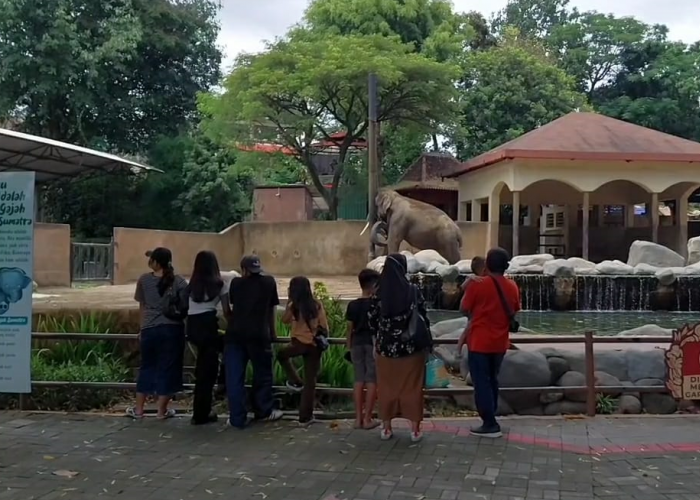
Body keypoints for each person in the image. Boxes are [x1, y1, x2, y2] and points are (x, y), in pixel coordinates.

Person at [368, 253, 431, 443]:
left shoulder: (378, 293)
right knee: (412, 388)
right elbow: (423, 316)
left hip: (385, 350)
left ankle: (386, 428)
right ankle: (415, 430)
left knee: (386, 388)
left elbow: (372, 321)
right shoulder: (412, 290)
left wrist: (376, 342)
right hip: (411, 349)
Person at [461, 247, 521, 438]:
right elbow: (515, 308)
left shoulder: (478, 284)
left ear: (487, 264)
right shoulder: (512, 286)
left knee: (481, 382)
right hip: (500, 343)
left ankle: (489, 423)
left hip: (479, 342)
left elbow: (463, 308)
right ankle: (492, 415)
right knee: (492, 379)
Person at [128, 247, 188, 420]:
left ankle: (139, 410)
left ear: (155, 262)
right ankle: (161, 411)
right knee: (169, 368)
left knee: (147, 367)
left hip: (149, 329)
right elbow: (185, 304)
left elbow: (142, 306)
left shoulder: (144, 280)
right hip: (172, 329)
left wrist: (142, 328)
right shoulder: (178, 281)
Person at [225, 255, 283, 428]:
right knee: (263, 374)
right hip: (259, 335)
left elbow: (235, 307)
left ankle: (237, 418)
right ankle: (264, 411)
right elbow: (271, 310)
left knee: (234, 378)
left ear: (243, 270)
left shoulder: (235, 284)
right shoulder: (269, 282)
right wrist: (273, 333)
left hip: (235, 335)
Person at [186, 250, 231, 426]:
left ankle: (200, 410)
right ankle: (202, 412)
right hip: (208, 325)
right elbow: (227, 312)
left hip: (192, 326)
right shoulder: (220, 284)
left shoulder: (190, 286)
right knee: (209, 370)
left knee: (202, 369)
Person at [278, 276, 328, 426]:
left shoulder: (294, 306)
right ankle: (305, 417)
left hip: (298, 343)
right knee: (310, 382)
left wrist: (288, 302)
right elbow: (324, 326)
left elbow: (284, 320)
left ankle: (295, 380)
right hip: (313, 346)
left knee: (281, 355)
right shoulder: (317, 305)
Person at [345, 269, 380, 430]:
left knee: (359, 380)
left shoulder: (352, 305)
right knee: (372, 380)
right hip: (372, 344)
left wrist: (348, 345)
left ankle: (357, 419)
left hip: (356, 343)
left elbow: (349, 328)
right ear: (373, 285)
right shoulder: (376, 304)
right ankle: (368, 418)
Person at [456, 256, 486, 357]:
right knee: (468, 328)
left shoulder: (482, 278)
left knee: (468, 328)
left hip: (473, 306)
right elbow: (461, 288)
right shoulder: (472, 278)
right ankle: (458, 350)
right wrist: (469, 280)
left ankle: (459, 349)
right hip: (469, 307)